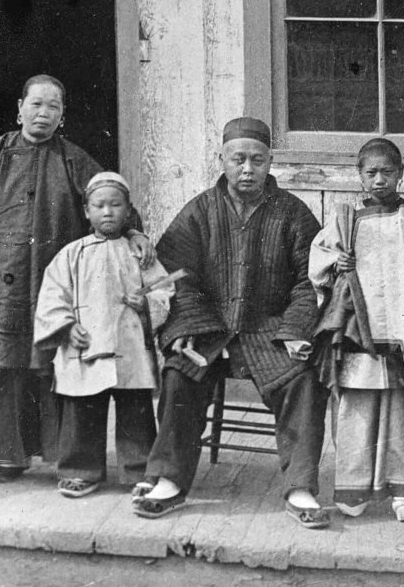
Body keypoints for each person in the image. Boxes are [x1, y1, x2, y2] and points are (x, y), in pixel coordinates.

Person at [0, 74, 153, 483]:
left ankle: (58, 454)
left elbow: (110, 206)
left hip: (57, 283)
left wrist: (133, 232)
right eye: (36, 104)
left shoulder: (74, 160)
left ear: (62, 116)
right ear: (20, 108)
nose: (43, 113)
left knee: (52, 364)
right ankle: (3, 457)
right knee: (1, 363)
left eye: (53, 107)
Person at [133, 117, 332, 529]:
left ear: (270, 161)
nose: (247, 169)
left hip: (269, 331)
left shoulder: (292, 212)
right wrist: (193, 327)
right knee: (179, 374)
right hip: (209, 330)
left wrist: (295, 331)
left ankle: (300, 487)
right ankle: (169, 480)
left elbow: (309, 280)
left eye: (257, 160)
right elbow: (176, 274)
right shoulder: (200, 210)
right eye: (238, 159)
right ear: (221, 159)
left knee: (303, 380)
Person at [309, 137, 404, 523]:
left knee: (403, 411)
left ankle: (403, 490)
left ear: (401, 174)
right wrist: (335, 263)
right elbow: (318, 261)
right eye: (370, 173)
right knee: (356, 410)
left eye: (387, 172)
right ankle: (353, 489)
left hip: (403, 331)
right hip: (359, 328)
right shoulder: (347, 219)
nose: (378, 180)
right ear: (359, 175)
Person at [34, 172, 173, 498]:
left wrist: (146, 304)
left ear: (128, 211)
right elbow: (53, 295)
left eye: (116, 205)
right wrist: (67, 327)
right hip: (84, 346)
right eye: (99, 205)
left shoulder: (139, 253)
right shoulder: (72, 254)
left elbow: (164, 289)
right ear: (87, 211)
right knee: (82, 410)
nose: (108, 212)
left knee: (134, 410)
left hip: (128, 345)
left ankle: (139, 469)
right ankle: (80, 470)